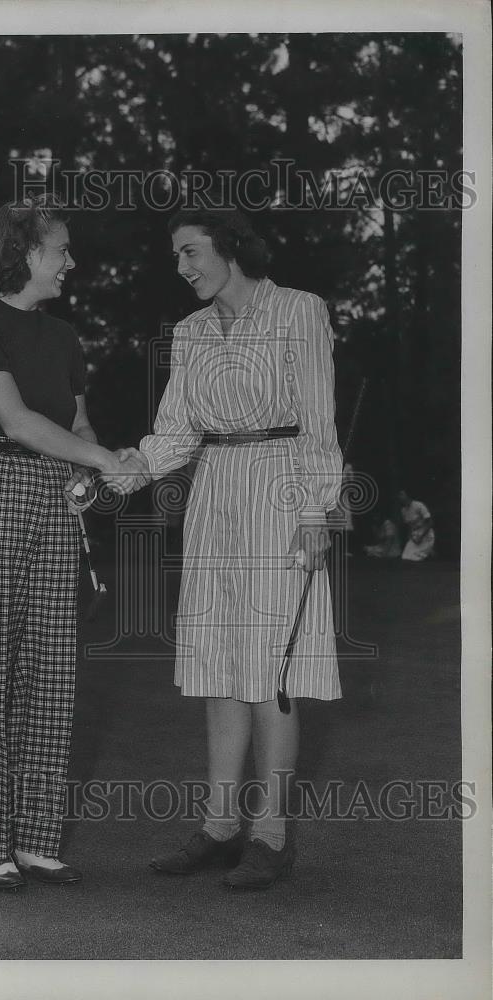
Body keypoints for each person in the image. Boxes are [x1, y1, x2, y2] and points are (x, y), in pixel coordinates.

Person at [72, 207, 343, 891]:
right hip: (215, 494)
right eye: (177, 257)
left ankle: (272, 836)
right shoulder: (190, 333)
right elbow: (175, 432)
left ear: (232, 250)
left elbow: (318, 420)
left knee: (271, 669)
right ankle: (221, 828)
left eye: (192, 253)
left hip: (282, 491)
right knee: (218, 662)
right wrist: (122, 468)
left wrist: (315, 511)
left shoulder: (299, 311)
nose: (183, 268)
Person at [0, 197, 132, 891]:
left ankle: (39, 840)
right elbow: (16, 420)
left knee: (52, 670)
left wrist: (97, 469)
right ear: (24, 253)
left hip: (55, 499)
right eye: (62, 249)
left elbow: (76, 426)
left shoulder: (67, 338)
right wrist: (107, 459)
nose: (71, 262)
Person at [397, 489, 435, 561]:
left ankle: (430, 551)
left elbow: (430, 522)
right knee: (405, 557)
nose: (400, 497)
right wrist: (410, 538)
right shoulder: (403, 510)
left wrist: (421, 536)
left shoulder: (419, 505)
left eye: (402, 495)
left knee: (415, 558)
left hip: (426, 534)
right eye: (399, 495)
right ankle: (428, 553)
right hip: (414, 536)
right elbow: (409, 526)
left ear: (408, 496)